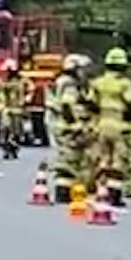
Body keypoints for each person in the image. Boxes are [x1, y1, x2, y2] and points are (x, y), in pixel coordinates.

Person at [84, 47, 131, 205]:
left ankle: (100, 190)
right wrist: (129, 118)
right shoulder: (124, 84)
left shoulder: (98, 83)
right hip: (119, 127)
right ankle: (114, 194)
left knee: (102, 159)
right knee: (118, 160)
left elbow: (90, 104)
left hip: (101, 126)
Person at [46, 54, 91, 190]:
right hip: (65, 125)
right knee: (69, 157)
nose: (84, 73)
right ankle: (65, 188)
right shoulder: (69, 84)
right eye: (82, 69)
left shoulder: (61, 80)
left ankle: (63, 186)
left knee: (63, 156)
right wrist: (73, 123)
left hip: (58, 123)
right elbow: (67, 104)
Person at [0, 60, 29, 159]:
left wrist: (27, 99)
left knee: (17, 131)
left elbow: (30, 89)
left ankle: (14, 149)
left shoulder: (22, 81)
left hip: (17, 110)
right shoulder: (1, 82)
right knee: (5, 129)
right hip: (5, 109)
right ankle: (6, 148)